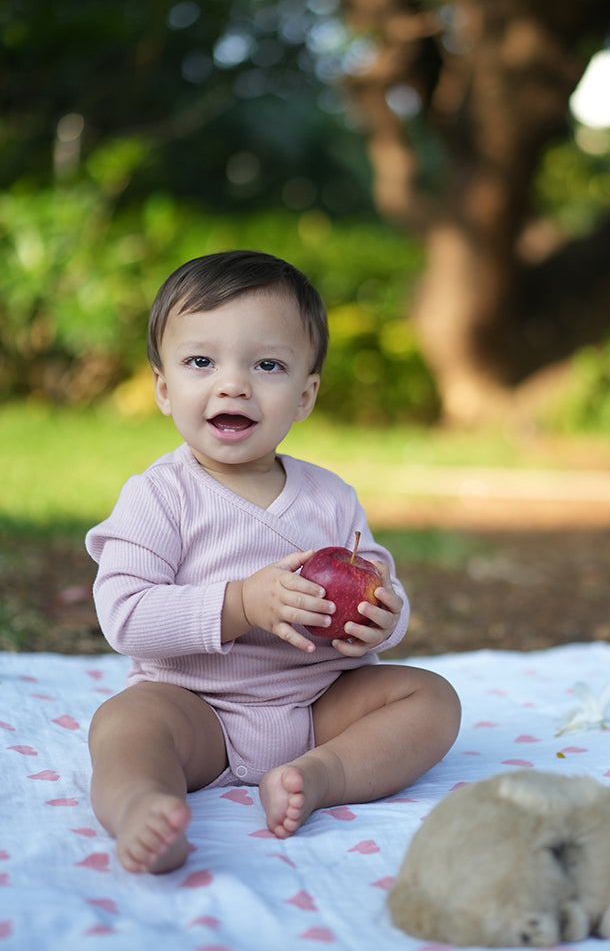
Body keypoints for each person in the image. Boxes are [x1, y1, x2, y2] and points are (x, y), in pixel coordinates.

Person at [85, 250, 461, 875]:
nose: (233, 384)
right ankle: (142, 808)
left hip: (319, 704)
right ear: (162, 387)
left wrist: (384, 620)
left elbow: (377, 580)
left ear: (306, 394)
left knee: (432, 699)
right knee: (125, 723)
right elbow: (124, 614)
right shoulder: (159, 495)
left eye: (268, 364)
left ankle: (319, 776)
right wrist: (239, 605)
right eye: (201, 362)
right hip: (196, 704)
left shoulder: (330, 496)